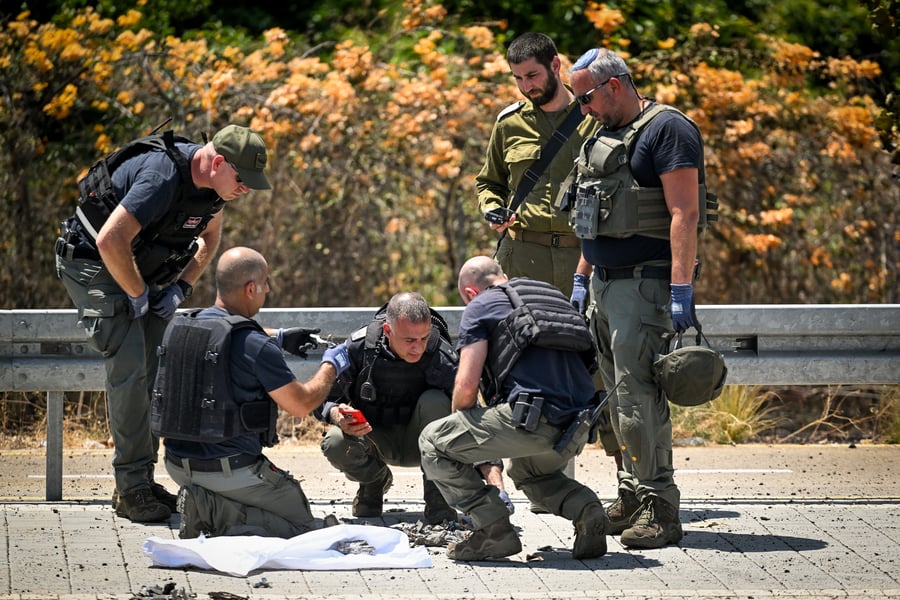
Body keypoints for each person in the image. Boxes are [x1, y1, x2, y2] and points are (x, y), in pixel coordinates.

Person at [54, 124, 308, 523]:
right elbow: (109, 241)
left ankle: (143, 479)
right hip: (95, 263)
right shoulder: (162, 176)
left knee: (159, 370)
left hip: (141, 270)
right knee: (133, 368)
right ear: (218, 162)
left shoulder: (212, 188)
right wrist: (137, 294)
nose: (244, 189)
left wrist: (182, 286)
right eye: (241, 180)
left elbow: (210, 235)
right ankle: (132, 488)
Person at [564, 47, 714, 548]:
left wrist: (679, 289)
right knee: (615, 400)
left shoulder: (667, 130)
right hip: (605, 284)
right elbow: (595, 215)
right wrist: (583, 277)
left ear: (614, 85)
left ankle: (659, 507)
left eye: (585, 98)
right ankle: (631, 495)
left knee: (640, 398)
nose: (582, 108)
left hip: (643, 284)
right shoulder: (604, 130)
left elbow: (684, 215)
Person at [476, 33, 622, 493]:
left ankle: (629, 475)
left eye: (533, 75)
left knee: (599, 358)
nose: (525, 86)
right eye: (517, 78)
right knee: (526, 361)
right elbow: (489, 181)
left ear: (556, 65)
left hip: (585, 256)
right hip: (524, 255)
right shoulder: (508, 123)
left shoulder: (592, 118)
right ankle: (541, 479)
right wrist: (491, 209)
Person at [419, 256, 609, 561]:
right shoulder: (550, 296)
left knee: (432, 441)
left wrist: (463, 442)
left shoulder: (480, 306)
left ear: (470, 292)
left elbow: (466, 386)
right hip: (578, 423)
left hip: (533, 418)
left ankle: (493, 530)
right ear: (502, 276)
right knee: (530, 472)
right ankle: (586, 510)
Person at [156, 246, 350, 538]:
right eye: (266, 282)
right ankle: (211, 509)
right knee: (302, 522)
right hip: (230, 471)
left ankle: (209, 500)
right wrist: (331, 366)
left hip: (176, 465)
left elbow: (229, 330)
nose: (268, 288)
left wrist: (280, 337)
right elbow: (301, 404)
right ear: (251, 288)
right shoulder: (256, 346)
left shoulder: (182, 325)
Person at [316, 292, 512, 525]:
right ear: (388, 331)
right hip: (373, 441)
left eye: (423, 338)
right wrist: (337, 414)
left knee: (435, 402)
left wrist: (496, 485)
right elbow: (320, 400)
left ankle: (438, 499)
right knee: (335, 442)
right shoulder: (361, 348)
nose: (417, 347)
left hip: (426, 447)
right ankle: (374, 482)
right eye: (409, 340)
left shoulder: (440, 356)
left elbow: (474, 419)